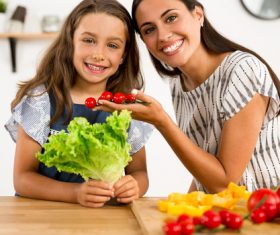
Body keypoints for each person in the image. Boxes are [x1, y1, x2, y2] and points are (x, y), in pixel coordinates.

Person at [97, 0, 280, 193]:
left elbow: (225, 183)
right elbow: (206, 168)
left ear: (198, 15)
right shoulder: (179, 83)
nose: (163, 35)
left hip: (268, 212)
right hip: (232, 211)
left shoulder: (242, 70)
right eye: (149, 29)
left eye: (171, 18)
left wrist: (162, 121)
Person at [5, 0, 153, 208]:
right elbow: (22, 179)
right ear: (70, 42)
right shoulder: (41, 99)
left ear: (123, 56)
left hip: (102, 220)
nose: (98, 54)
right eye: (89, 40)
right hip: (43, 216)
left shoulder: (127, 106)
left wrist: (134, 186)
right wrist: (75, 193)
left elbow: (140, 174)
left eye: (112, 45)